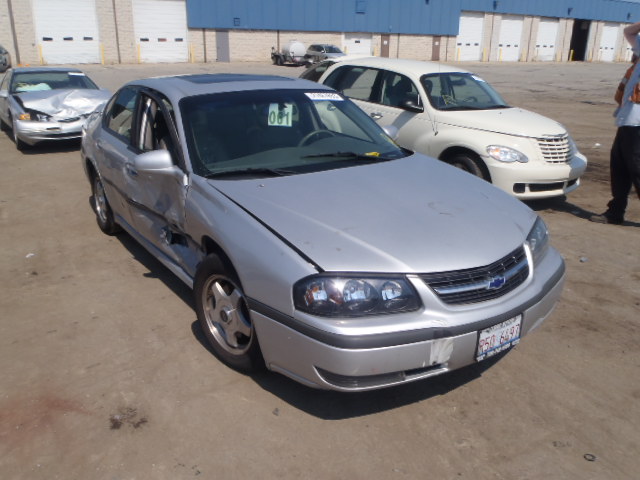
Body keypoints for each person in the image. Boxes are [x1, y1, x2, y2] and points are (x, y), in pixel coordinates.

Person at [591, 21, 640, 225]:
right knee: (619, 167)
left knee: (637, 168)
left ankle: (616, 212)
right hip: (627, 121)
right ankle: (615, 212)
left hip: (637, 125)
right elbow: (628, 31)